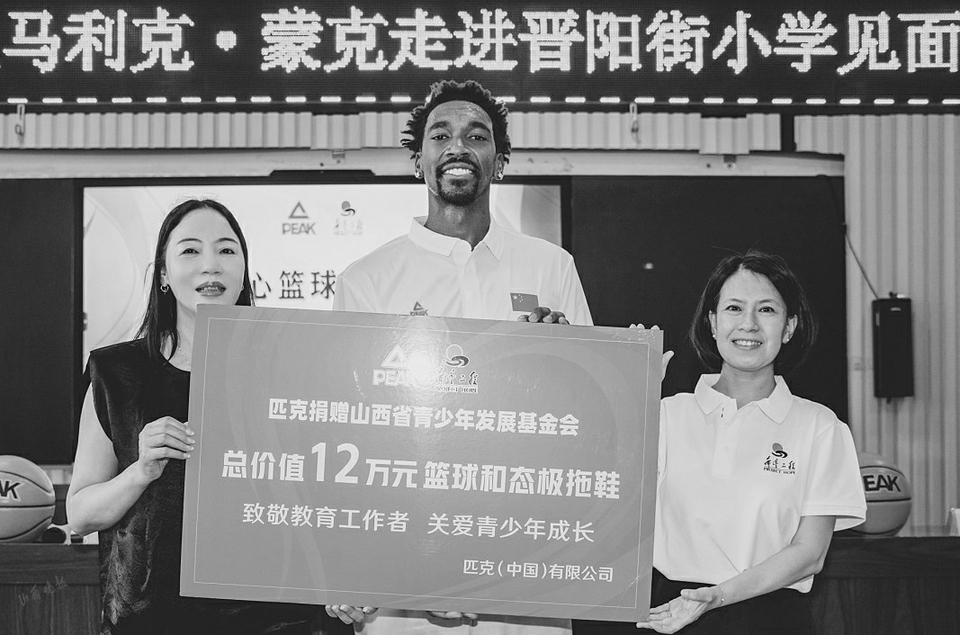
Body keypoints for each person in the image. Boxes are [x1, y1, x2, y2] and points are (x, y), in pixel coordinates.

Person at [329, 80, 592, 633]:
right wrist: (359, 567)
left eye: (477, 136)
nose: (458, 146)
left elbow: (587, 423)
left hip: (525, 568)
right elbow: (353, 436)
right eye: (440, 135)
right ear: (417, 160)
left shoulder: (552, 267)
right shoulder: (367, 281)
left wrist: (563, 366)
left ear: (500, 162)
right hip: (402, 579)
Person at [67, 199, 319, 635]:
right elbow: (80, 514)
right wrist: (140, 472)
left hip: (275, 616)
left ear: (243, 269)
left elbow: (326, 498)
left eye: (226, 250)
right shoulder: (116, 373)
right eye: (190, 250)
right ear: (163, 274)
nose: (210, 265)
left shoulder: (295, 368)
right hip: (153, 619)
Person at [637, 251, 866, 635]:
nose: (749, 323)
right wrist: (631, 396)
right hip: (669, 615)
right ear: (713, 322)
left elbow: (810, 554)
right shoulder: (665, 414)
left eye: (766, 310)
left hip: (772, 618)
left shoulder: (820, 426)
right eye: (734, 308)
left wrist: (719, 595)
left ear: (789, 327)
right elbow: (607, 503)